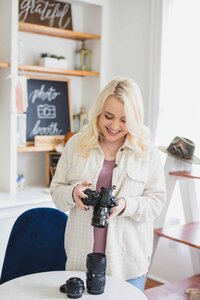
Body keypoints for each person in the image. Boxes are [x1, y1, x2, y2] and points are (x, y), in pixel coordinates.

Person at [50, 77, 166, 292]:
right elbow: (56, 192)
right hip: (79, 259)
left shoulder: (147, 151)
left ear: (135, 119)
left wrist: (126, 205)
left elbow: (156, 202)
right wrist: (73, 192)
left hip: (127, 262)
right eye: (108, 116)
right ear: (98, 113)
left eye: (124, 120)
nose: (114, 126)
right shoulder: (76, 144)